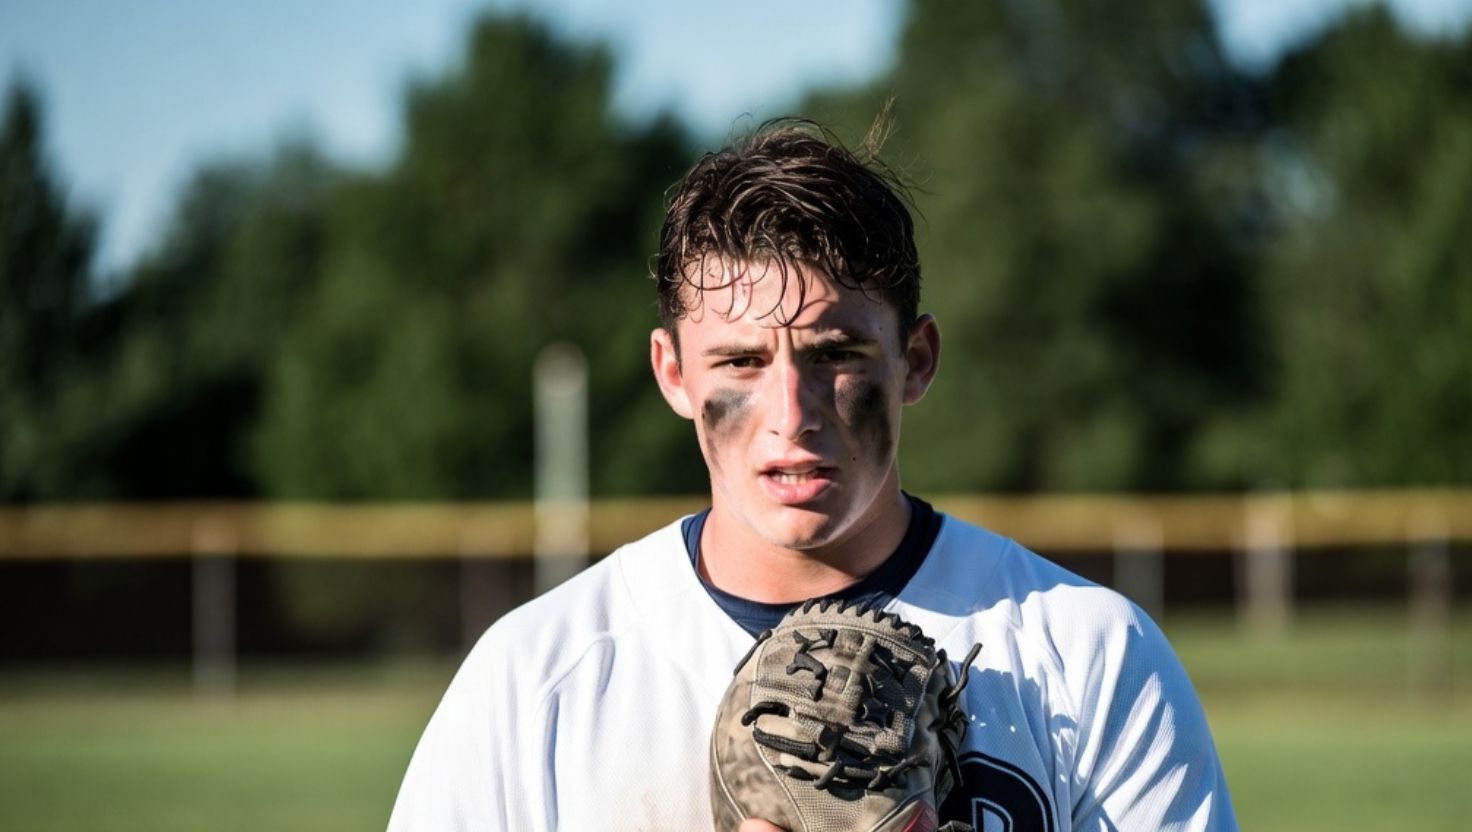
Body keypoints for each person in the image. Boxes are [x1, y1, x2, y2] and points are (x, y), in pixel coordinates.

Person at [387, 120, 1237, 831]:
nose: (791, 415)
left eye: (835, 354)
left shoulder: (1088, 655)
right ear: (674, 374)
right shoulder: (540, 681)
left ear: (916, 360)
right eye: (742, 361)